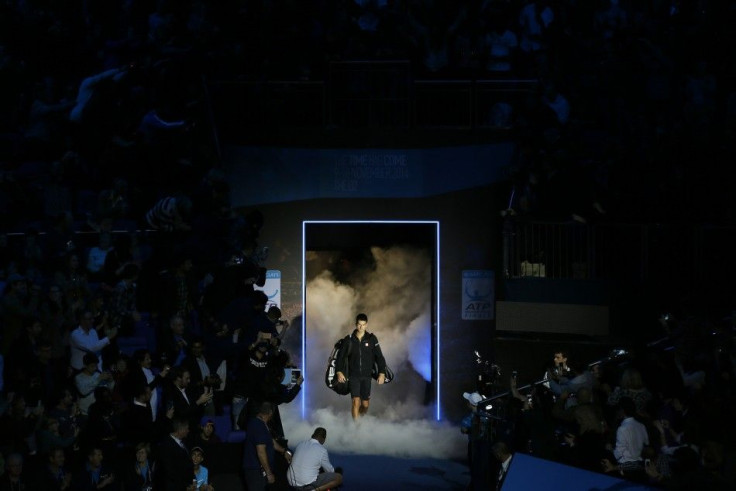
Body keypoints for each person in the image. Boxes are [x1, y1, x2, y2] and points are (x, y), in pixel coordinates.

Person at [335, 313, 387, 420]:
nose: (361, 327)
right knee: (355, 401)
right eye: (359, 324)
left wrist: (382, 373)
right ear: (355, 324)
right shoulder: (349, 339)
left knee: (365, 404)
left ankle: (360, 420)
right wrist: (339, 372)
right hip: (353, 376)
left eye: (363, 325)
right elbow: (340, 357)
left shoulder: (372, 339)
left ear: (366, 325)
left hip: (366, 376)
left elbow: (380, 357)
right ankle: (356, 428)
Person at [242, 401, 292, 491]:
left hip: (257, 471)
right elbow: (261, 452)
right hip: (256, 471)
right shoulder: (258, 426)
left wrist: (284, 451)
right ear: (270, 413)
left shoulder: (260, 424)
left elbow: (271, 442)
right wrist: (268, 473)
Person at [156, 418, 194, 491]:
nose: (188, 431)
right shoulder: (167, 445)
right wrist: (185, 485)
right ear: (180, 430)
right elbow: (170, 471)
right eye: (187, 429)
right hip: (173, 487)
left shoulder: (184, 442)